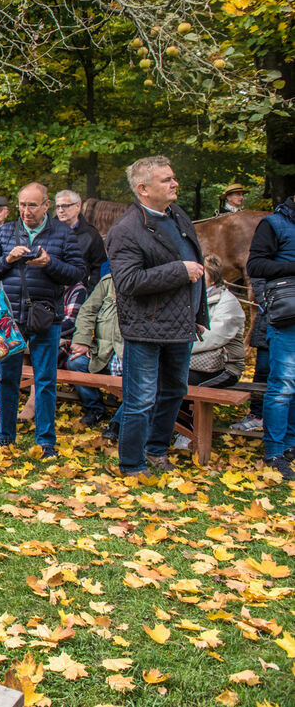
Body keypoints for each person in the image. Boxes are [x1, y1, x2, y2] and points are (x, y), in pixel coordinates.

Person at [107, 156, 208, 477]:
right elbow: (128, 282)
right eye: (166, 180)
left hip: (181, 325)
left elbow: (198, 267)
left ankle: (154, 450)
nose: (175, 183)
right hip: (146, 328)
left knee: (175, 391)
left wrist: (199, 311)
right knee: (140, 399)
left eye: (173, 177)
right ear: (143, 189)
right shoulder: (126, 229)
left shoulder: (178, 216)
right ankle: (131, 464)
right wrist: (178, 271)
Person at [0, 182, 85, 456]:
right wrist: (7, 259)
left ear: (46, 205)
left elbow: (78, 272)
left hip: (45, 316)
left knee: (45, 380)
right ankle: (5, 434)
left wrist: (49, 264)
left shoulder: (63, 233)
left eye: (32, 205)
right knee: (7, 378)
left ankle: (45, 440)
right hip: (10, 317)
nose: (26, 211)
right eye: (22, 205)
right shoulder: (6, 231)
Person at [246, 194, 295, 478]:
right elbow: (256, 266)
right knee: (283, 384)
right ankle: (274, 451)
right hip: (287, 314)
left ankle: (290, 444)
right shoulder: (273, 224)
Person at [68, 271, 124, 433]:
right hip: (102, 353)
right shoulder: (108, 282)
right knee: (76, 363)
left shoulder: (146, 281)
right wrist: (82, 341)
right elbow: (87, 311)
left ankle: (118, 422)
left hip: (129, 356)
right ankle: (95, 409)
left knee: (143, 382)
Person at [188, 255, 245, 387]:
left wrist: (175, 347)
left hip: (224, 368)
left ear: (213, 278)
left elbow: (211, 338)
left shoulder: (227, 302)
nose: (197, 275)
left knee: (173, 384)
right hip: (192, 362)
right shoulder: (191, 299)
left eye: (202, 272)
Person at [54, 190, 106, 289]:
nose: (60, 210)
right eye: (58, 206)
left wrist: (89, 292)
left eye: (65, 206)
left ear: (77, 206)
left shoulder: (91, 234)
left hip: (79, 292)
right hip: (51, 293)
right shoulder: (48, 231)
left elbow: (99, 267)